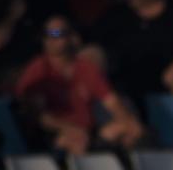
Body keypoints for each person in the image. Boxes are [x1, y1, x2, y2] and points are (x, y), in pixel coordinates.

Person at [15, 15, 144, 155]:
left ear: (72, 37)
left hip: (90, 131)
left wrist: (128, 122)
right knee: (77, 140)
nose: (52, 38)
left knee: (132, 128)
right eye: (47, 34)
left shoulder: (86, 68)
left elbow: (112, 102)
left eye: (58, 33)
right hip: (55, 134)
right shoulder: (38, 70)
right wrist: (69, 128)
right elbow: (37, 115)